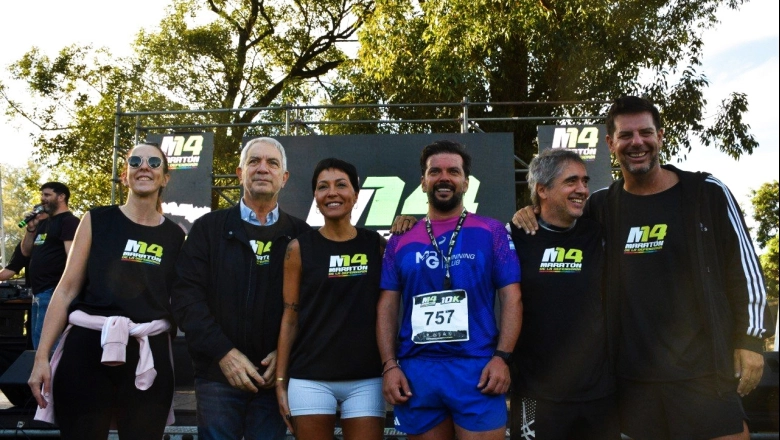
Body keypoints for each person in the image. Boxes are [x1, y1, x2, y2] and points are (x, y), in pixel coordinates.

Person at [513, 96, 773, 440]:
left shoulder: (705, 192)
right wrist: (527, 212)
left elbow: (745, 268)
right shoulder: (602, 205)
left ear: (661, 137)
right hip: (632, 379)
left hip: (703, 370)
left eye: (645, 133)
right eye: (625, 135)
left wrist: (751, 340)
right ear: (610, 144)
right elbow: (558, 215)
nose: (637, 142)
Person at [27, 144, 184, 439]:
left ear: (165, 178)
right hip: (87, 348)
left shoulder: (175, 235)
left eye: (153, 162)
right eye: (135, 161)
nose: (144, 166)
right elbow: (65, 290)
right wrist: (41, 358)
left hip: (147, 350)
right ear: (125, 175)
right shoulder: (95, 219)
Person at [378, 140, 522, 440]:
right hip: (418, 373)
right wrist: (389, 366)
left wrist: (502, 358)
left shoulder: (491, 231)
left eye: (453, 171)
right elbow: (387, 306)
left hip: (477, 370)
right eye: (435, 171)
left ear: (466, 182)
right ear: (423, 182)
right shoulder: (401, 239)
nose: (444, 177)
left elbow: (512, 297)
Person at [171, 137, 311, 440]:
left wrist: (285, 353)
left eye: (272, 163)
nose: (263, 169)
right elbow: (186, 298)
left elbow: (314, 304)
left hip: (275, 377)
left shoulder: (303, 235)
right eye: (254, 161)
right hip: (217, 376)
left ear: (284, 178)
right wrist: (224, 353)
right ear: (239, 173)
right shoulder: (208, 228)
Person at [508, 149, 619, 440]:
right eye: (571, 182)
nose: (582, 190)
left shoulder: (599, 233)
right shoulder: (515, 235)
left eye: (585, 181)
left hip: (597, 394)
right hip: (534, 392)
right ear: (542, 190)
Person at [276, 158, 386, 440]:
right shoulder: (299, 248)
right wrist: (280, 381)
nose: (332, 193)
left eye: (341, 185)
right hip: (310, 378)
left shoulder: (377, 245)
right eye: (323, 187)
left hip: (367, 378)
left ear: (356, 194)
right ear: (316, 197)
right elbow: (290, 317)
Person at [20, 182, 79, 349]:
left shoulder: (69, 221)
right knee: (38, 344)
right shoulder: (44, 223)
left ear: (61, 197)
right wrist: (30, 230)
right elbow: (26, 252)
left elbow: (73, 257)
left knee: (49, 346)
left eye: (47, 195)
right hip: (38, 292)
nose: (42, 199)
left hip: (53, 290)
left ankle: (55, 375)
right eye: (42, 195)